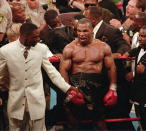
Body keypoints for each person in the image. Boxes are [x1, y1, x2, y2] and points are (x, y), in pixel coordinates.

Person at [0, 22, 77, 131]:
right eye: (35, 37)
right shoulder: (5, 51)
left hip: (36, 101)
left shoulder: (41, 48)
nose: (38, 39)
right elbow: (1, 76)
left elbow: (52, 73)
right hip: (16, 102)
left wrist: (67, 87)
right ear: (24, 36)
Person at [59, 18, 117, 131]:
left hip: (97, 85)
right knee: (72, 120)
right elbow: (63, 70)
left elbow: (111, 67)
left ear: (92, 32)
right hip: (76, 85)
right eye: (79, 31)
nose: (81, 34)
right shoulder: (70, 48)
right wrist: (68, 90)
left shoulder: (103, 47)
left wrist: (112, 89)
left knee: (100, 122)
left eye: (85, 31)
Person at [123, 25, 146, 131]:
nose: (140, 38)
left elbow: (141, 69)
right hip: (138, 92)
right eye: (140, 36)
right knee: (140, 117)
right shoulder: (140, 48)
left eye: (144, 36)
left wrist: (138, 71)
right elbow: (135, 51)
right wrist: (127, 54)